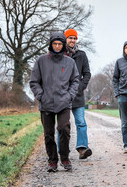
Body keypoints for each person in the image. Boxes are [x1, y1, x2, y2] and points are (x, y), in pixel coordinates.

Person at [30, 32, 79, 172]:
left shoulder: (70, 62)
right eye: (55, 44)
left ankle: (65, 158)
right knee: (48, 133)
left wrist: (70, 95)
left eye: (60, 44)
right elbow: (34, 81)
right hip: (46, 103)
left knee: (64, 129)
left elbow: (75, 80)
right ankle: (52, 161)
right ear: (51, 45)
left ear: (63, 45)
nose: (57, 46)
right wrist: (41, 95)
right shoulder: (41, 61)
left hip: (64, 102)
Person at [64, 29, 92, 159]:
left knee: (81, 122)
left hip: (78, 95)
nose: (72, 40)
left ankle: (82, 149)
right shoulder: (60, 55)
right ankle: (62, 151)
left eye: (74, 38)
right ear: (65, 39)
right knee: (62, 125)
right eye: (70, 38)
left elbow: (87, 74)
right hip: (63, 95)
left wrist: (80, 88)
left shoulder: (81, 55)